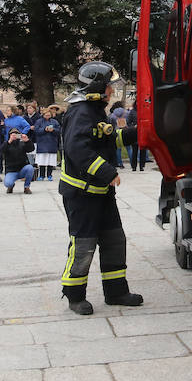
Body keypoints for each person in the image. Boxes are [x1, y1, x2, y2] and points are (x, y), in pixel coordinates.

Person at [58, 61, 142, 315]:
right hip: (82, 195)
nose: (111, 92)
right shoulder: (81, 112)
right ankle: (74, 296)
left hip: (101, 194)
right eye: (108, 87)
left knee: (114, 240)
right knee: (83, 245)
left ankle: (116, 291)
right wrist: (107, 172)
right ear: (96, 87)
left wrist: (138, 132)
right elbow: (77, 149)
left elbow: (108, 139)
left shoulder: (95, 112)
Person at [1, 128, 34, 194]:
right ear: (9, 135)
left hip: (22, 169)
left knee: (30, 168)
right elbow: (1, 150)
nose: (15, 136)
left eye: (16, 134)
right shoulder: (6, 144)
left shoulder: (22, 143)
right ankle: (11, 186)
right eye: (13, 134)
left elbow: (31, 149)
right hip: (11, 171)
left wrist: (27, 141)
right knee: (8, 183)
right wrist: (9, 141)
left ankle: (26, 187)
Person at [33, 107, 61, 181]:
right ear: (43, 115)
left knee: (50, 161)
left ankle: (49, 175)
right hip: (42, 143)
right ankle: (42, 175)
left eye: (49, 115)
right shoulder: (39, 121)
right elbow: (36, 131)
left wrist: (53, 130)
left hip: (52, 143)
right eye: (46, 115)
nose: (47, 116)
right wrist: (44, 130)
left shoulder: (55, 122)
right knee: (42, 161)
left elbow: (59, 131)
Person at [126, 102, 147, 171]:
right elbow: (128, 122)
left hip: (143, 133)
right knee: (134, 151)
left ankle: (142, 166)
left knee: (143, 150)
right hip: (135, 133)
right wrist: (133, 127)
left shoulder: (144, 111)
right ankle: (134, 166)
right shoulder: (132, 112)